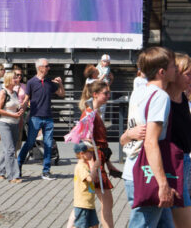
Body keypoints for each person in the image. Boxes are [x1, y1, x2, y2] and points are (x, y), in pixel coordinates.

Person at [120, 46, 177, 228]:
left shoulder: (139, 92)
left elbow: (130, 134)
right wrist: (163, 184)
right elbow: (151, 142)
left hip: (132, 169)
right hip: (146, 174)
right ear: (162, 72)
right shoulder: (160, 97)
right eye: (173, 66)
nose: (176, 69)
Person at [80, 81, 120, 228]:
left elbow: (101, 142)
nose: (108, 96)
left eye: (109, 93)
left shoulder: (96, 113)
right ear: (95, 94)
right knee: (102, 202)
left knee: (90, 202)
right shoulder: (88, 114)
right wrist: (93, 166)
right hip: (94, 163)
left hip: (99, 161)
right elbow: (85, 142)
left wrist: (108, 163)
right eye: (105, 93)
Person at [17, 58, 65, 180]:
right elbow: (26, 98)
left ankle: (46, 171)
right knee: (29, 143)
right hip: (35, 117)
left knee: (48, 144)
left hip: (48, 117)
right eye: (47, 66)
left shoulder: (49, 82)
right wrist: (22, 107)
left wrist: (60, 83)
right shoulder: (31, 82)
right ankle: (17, 166)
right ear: (40, 68)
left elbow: (61, 94)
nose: (49, 68)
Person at [166, 53, 191, 227]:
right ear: (176, 73)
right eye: (188, 74)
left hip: (185, 160)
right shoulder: (163, 99)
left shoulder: (182, 98)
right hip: (170, 165)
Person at [0, 72, 24, 183]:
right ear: (9, 80)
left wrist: (19, 111)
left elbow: (14, 106)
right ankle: (13, 176)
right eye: (14, 78)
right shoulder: (3, 92)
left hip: (15, 123)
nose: (17, 79)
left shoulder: (14, 93)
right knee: (10, 150)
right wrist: (13, 115)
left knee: (9, 149)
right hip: (5, 123)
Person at [66, 141, 100, 228]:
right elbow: (89, 179)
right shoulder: (80, 167)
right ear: (82, 154)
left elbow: (92, 179)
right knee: (81, 225)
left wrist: (94, 169)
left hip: (89, 203)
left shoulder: (85, 165)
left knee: (95, 224)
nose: (92, 153)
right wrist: (95, 167)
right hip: (82, 203)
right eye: (90, 152)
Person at [13, 66, 27, 152]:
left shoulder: (24, 86)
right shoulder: (10, 85)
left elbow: (27, 98)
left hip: (21, 111)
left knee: (20, 133)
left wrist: (24, 103)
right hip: (11, 111)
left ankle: (16, 151)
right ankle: (12, 153)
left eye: (21, 75)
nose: (19, 77)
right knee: (12, 133)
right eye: (17, 75)